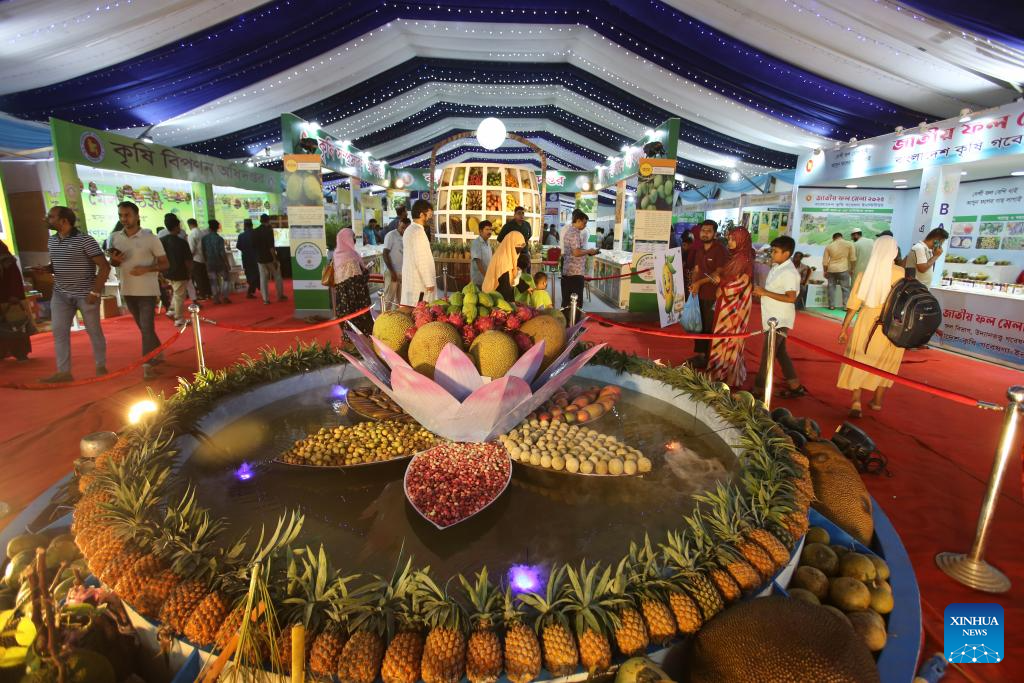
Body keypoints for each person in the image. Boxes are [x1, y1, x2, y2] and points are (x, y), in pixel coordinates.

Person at [37, 207, 111, 382]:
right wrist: (47, 269)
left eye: (51, 216)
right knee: (59, 332)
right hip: (60, 295)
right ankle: (64, 372)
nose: (46, 219)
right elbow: (57, 264)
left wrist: (95, 291)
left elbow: (104, 266)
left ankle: (101, 366)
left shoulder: (85, 240)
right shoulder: (52, 240)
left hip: (86, 294)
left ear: (64, 221)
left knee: (94, 331)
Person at [837, 236, 906, 417]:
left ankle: (856, 402)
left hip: (867, 321)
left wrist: (844, 329)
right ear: (894, 252)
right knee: (886, 362)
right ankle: (877, 401)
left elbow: (853, 305)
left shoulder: (864, 274)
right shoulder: (901, 273)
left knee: (859, 359)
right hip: (892, 324)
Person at [108, 201, 168, 380]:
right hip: (127, 289)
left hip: (147, 291)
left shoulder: (150, 238)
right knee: (143, 328)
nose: (124, 219)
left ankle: (147, 364)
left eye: (127, 215)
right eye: (120, 215)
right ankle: (158, 350)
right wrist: (115, 260)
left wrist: (146, 269)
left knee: (147, 327)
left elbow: (165, 263)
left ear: (137, 216)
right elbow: (113, 263)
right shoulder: (115, 237)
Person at [752, 236, 805, 398]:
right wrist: (763, 293)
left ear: (786, 253)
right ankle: (794, 384)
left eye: (775, 251)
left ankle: (759, 389)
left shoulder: (789, 272)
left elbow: (791, 298)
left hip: (779, 319)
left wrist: (765, 292)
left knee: (768, 354)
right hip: (772, 316)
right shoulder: (778, 267)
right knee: (780, 352)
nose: (772, 254)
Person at [706, 227, 754, 387]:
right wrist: (721, 281)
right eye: (729, 239)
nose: (729, 242)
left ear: (741, 241)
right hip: (730, 305)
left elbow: (742, 283)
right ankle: (723, 371)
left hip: (734, 307)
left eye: (733, 239)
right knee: (727, 338)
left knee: (728, 337)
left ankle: (724, 372)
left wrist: (722, 286)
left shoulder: (742, 258)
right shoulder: (737, 256)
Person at [686, 220, 729, 367]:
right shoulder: (699, 250)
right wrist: (693, 284)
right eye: (703, 230)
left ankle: (710, 358)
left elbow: (718, 273)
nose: (705, 233)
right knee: (698, 325)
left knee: (710, 326)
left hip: (713, 296)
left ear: (715, 234)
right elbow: (697, 269)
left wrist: (699, 283)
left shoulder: (720, 250)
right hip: (699, 294)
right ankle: (700, 355)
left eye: (709, 231)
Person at [331, 228, 373, 336]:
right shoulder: (351, 255)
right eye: (352, 237)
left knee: (347, 317)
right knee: (359, 318)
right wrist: (367, 271)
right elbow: (358, 280)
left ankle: (349, 337)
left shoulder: (336, 254)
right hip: (356, 296)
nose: (354, 239)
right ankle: (363, 338)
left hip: (343, 296)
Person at [0, 241, 32, 362]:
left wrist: (14, 295)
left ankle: (21, 353)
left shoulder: (6, 259)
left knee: (15, 325)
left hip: (8, 299)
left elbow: (14, 278)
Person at [401, 200, 436, 308]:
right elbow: (421, 259)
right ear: (421, 214)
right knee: (421, 313)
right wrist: (429, 282)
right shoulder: (418, 232)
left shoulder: (409, 230)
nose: (430, 218)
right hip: (419, 284)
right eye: (429, 215)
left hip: (413, 280)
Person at [560, 209, 598, 311]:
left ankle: (568, 320)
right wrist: (588, 251)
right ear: (578, 220)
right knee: (576, 303)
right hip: (574, 272)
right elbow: (576, 252)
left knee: (567, 301)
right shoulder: (574, 233)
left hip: (570, 270)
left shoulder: (570, 231)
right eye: (584, 223)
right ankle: (574, 320)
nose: (585, 226)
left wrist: (586, 252)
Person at [160, 215, 192, 326]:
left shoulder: (162, 241)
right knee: (179, 296)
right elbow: (188, 260)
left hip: (167, 272)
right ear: (176, 226)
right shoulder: (182, 242)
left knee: (177, 292)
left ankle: (172, 310)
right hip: (180, 272)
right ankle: (179, 318)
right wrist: (189, 272)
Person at [482, 232, 530, 302]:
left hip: (501, 293)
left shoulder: (511, 256)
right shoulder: (503, 258)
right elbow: (504, 283)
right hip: (494, 294)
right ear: (510, 244)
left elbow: (512, 275)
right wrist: (509, 302)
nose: (520, 247)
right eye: (518, 245)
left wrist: (526, 287)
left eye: (522, 245)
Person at [255, 214, 286, 304]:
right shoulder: (269, 231)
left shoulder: (255, 231)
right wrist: (275, 259)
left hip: (260, 258)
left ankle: (265, 299)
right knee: (277, 276)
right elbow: (271, 247)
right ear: (268, 221)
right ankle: (280, 295)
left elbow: (254, 245)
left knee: (263, 278)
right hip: (269, 258)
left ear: (260, 221)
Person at [822, 232, 856, 309]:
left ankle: (831, 305)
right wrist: (852, 269)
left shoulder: (829, 246)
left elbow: (825, 262)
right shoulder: (849, 244)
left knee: (831, 287)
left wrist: (825, 271)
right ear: (841, 237)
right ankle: (846, 306)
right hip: (843, 268)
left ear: (833, 238)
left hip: (831, 269)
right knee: (845, 288)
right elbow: (853, 259)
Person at [202, 220, 231, 304]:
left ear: (209, 228)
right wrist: (227, 263)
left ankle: (216, 298)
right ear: (217, 228)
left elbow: (204, 252)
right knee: (226, 278)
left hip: (210, 262)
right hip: (220, 262)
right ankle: (225, 297)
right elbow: (222, 253)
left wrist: (206, 262)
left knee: (213, 281)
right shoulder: (220, 239)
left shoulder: (204, 239)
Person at [382, 216, 408, 308]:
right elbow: (385, 253)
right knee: (389, 299)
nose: (404, 230)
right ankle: (385, 316)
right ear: (398, 225)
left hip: (403, 272)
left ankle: (396, 316)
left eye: (406, 228)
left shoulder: (407, 236)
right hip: (392, 271)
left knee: (400, 300)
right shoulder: (391, 235)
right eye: (402, 227)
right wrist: (392, 272)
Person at [498, 207, 532, 271]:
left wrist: (524, 242)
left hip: (524, 253)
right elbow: (500, 239)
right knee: (513, 273)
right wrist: (510, 245)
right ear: (514, 215)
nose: (521, 215)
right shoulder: (508, 226)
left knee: (526, 273)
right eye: (519, 213)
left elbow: (529, 235)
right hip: (512, 254)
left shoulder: (527, 225)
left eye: (522, 213)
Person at [186, 218, 211, 301]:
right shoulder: (202, 232)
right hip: (203, 257)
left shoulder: (192, 234)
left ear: (189, 225)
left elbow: (192, 249)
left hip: (196, 258)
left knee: (198, 278)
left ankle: (202, 295)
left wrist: (189, 258)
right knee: (204, 277)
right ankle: (208, 293)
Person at [236, 219, 261, 298]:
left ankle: (253, 289)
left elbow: (238, 246)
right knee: (257, 273)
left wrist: (245, 250)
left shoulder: (241, 235)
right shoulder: (256, 234)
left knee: (249, 274)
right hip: (256, 257)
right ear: (252, 225)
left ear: (245, 226)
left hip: (246, 258)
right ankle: (254, 289)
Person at [470, 221, 494, 287]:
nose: (490, 232)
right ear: (480, 231)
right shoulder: (476, 243)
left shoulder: (488, 242)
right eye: (487, 229)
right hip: (479, 280)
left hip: (486, 279)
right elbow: (478, 262)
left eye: (491, 229)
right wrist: (486, 276)